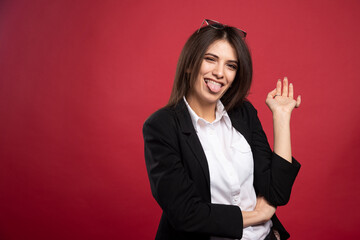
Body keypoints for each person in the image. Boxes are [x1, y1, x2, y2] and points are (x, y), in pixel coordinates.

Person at [143, 19, 301, 240]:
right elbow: (186, 213)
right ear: (190, 64)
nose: (220, 73)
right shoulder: (161, 126)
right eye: (210, 59)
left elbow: (276, 191)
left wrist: (282, 118)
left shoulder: (243, 112)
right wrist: (256, 215)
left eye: (231, 66)